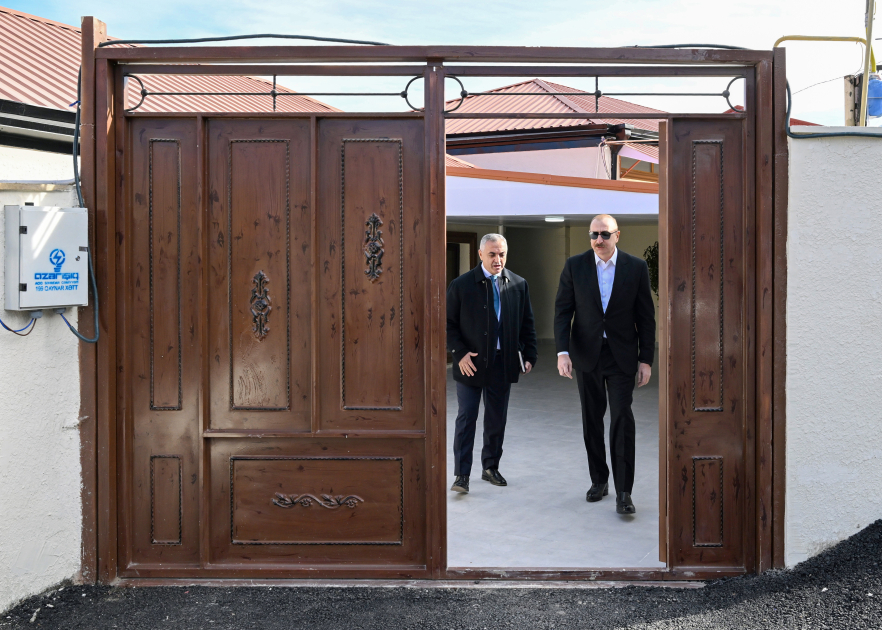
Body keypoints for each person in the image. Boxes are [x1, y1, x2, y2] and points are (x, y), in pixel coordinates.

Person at [554, 214, 655, 515]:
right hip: (587, 355)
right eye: (594, 234)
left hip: (622, 356)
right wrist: (562, 352)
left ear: (617, 235)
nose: (599, 240)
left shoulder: (636, 267)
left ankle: (624, 491)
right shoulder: (575, 265)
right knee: (592, 420)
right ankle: (599, 480)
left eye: (605, 234)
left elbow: (646, 317)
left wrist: (646, 360)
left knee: (622, 418)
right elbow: (563, 312)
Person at [446, 233, 538, 494]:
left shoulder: (518, 284)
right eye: (492, 254)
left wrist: (529, 355)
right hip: (471, 363)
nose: (498, 260)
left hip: (502, 362)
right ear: (480, 255)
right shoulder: (461, 285)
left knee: (497, 418)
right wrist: (460, 353)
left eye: (502, 254)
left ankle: (490, 467)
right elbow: (447, 324)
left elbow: (527, 324)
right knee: (467, 418)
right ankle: (462, 475)